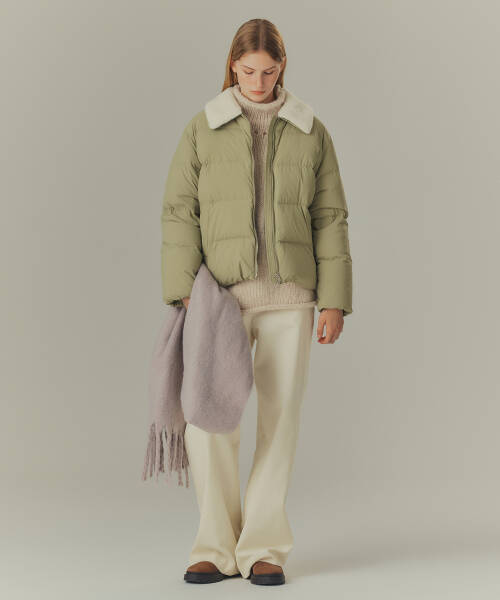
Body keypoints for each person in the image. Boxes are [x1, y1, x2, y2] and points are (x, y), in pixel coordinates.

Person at [161, 18, 353, 586]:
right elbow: (179, 210)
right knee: (208, 419)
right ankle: (215, 545)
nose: (259, 81)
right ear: (232, 65)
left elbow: (330, 217)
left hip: (292, 296)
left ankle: (263, 547)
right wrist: (183, 290)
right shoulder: (203, 127)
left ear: (282, 67)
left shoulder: (311, 130)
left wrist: (333, 300)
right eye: (248, 71)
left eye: (269, 71)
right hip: (219, 298)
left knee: (280, 421)